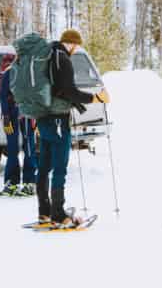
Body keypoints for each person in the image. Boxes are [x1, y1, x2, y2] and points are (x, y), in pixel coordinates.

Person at [35, 28, 111, 228]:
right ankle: (58, 214)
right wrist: (95, 98)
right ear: (70, 43)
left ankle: (44, 212)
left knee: (43, 166)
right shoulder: (63, 59)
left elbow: (58, 89)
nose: (76, 49)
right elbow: (69, 91)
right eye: (76, 45)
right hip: (59, 120)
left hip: (43, 118)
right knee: (59, 168)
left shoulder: (47, 56)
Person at [0, 52, 36, 197]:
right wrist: (6, 115)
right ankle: (13, 183)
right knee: (15, 148)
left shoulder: (29, 73)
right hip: (14, 114)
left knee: (28, 147)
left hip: (25, 114)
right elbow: (2, 95)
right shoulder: (9, 73)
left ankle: (28, 182)